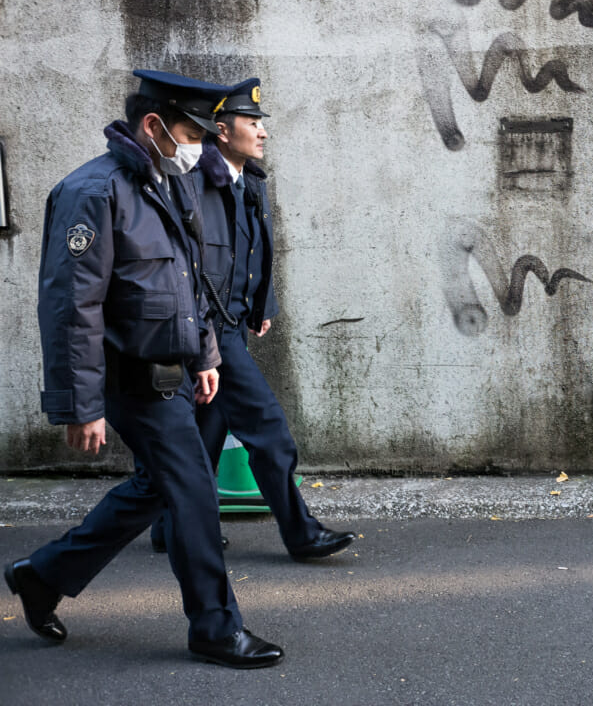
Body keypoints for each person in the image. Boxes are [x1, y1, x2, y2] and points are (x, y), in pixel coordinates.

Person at [3, 70, 283, 669]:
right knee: (194, 492)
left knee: (157, 488)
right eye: (191, 133)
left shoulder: (168, 183)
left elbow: (192, 283)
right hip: (129, 378)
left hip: (173, 373)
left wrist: (205, 356)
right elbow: (69, 306)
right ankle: (214, 626)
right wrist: (81, 406)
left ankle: (42, 575)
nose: (200, 148)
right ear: (153, 126)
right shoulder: (92, 192)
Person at [149, 78, 355, 560]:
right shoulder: (195, 183)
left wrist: (261, 307)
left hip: (230, 325)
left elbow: (252, 254)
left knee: (202, 436)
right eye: (251, 122)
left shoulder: (250, 181)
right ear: (222, 131)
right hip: (209, 332)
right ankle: (300, 532)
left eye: (262, 123)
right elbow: (191, 265)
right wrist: (209, 334)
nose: (262, 132)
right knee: (269, 431)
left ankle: (171, 528)